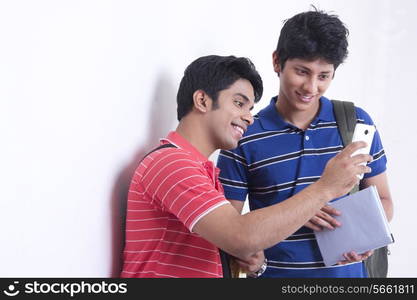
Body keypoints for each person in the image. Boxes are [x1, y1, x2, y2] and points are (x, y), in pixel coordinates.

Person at [120, 54, 372, 278]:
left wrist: (254, 264)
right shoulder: (172, 164)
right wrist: (325, 188)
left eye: (250, 108)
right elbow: (240, 237)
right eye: (239, 103)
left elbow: (234, 245)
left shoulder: (202, 172)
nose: (249, 117)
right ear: (202, 100)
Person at [216, 8, 393, 278]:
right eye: (302, 71)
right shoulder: (244, 134)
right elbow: (228, 229)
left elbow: (383, 199)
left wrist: (364, 237)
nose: (311, 87)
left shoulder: (356, 123)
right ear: (277, 62)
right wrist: (298, 211)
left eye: (324, 76)